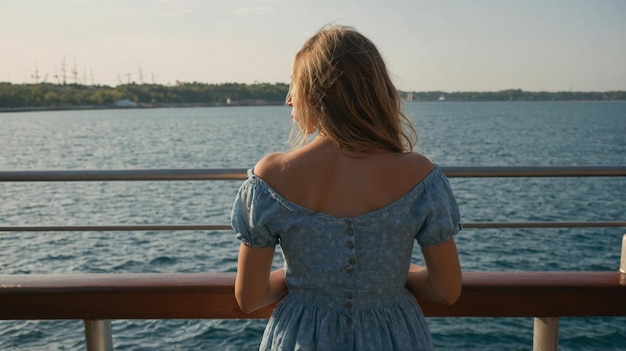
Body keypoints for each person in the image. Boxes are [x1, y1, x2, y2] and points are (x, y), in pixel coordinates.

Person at [231, 24, 462, 351]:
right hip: (394, 336)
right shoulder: (421, 176)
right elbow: (446, 290)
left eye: (294, 87)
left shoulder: (270, 177)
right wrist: (387, 275)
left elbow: (250, 297)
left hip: (302, 336)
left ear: (316, 95)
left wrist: (314, 278)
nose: (287, 100)